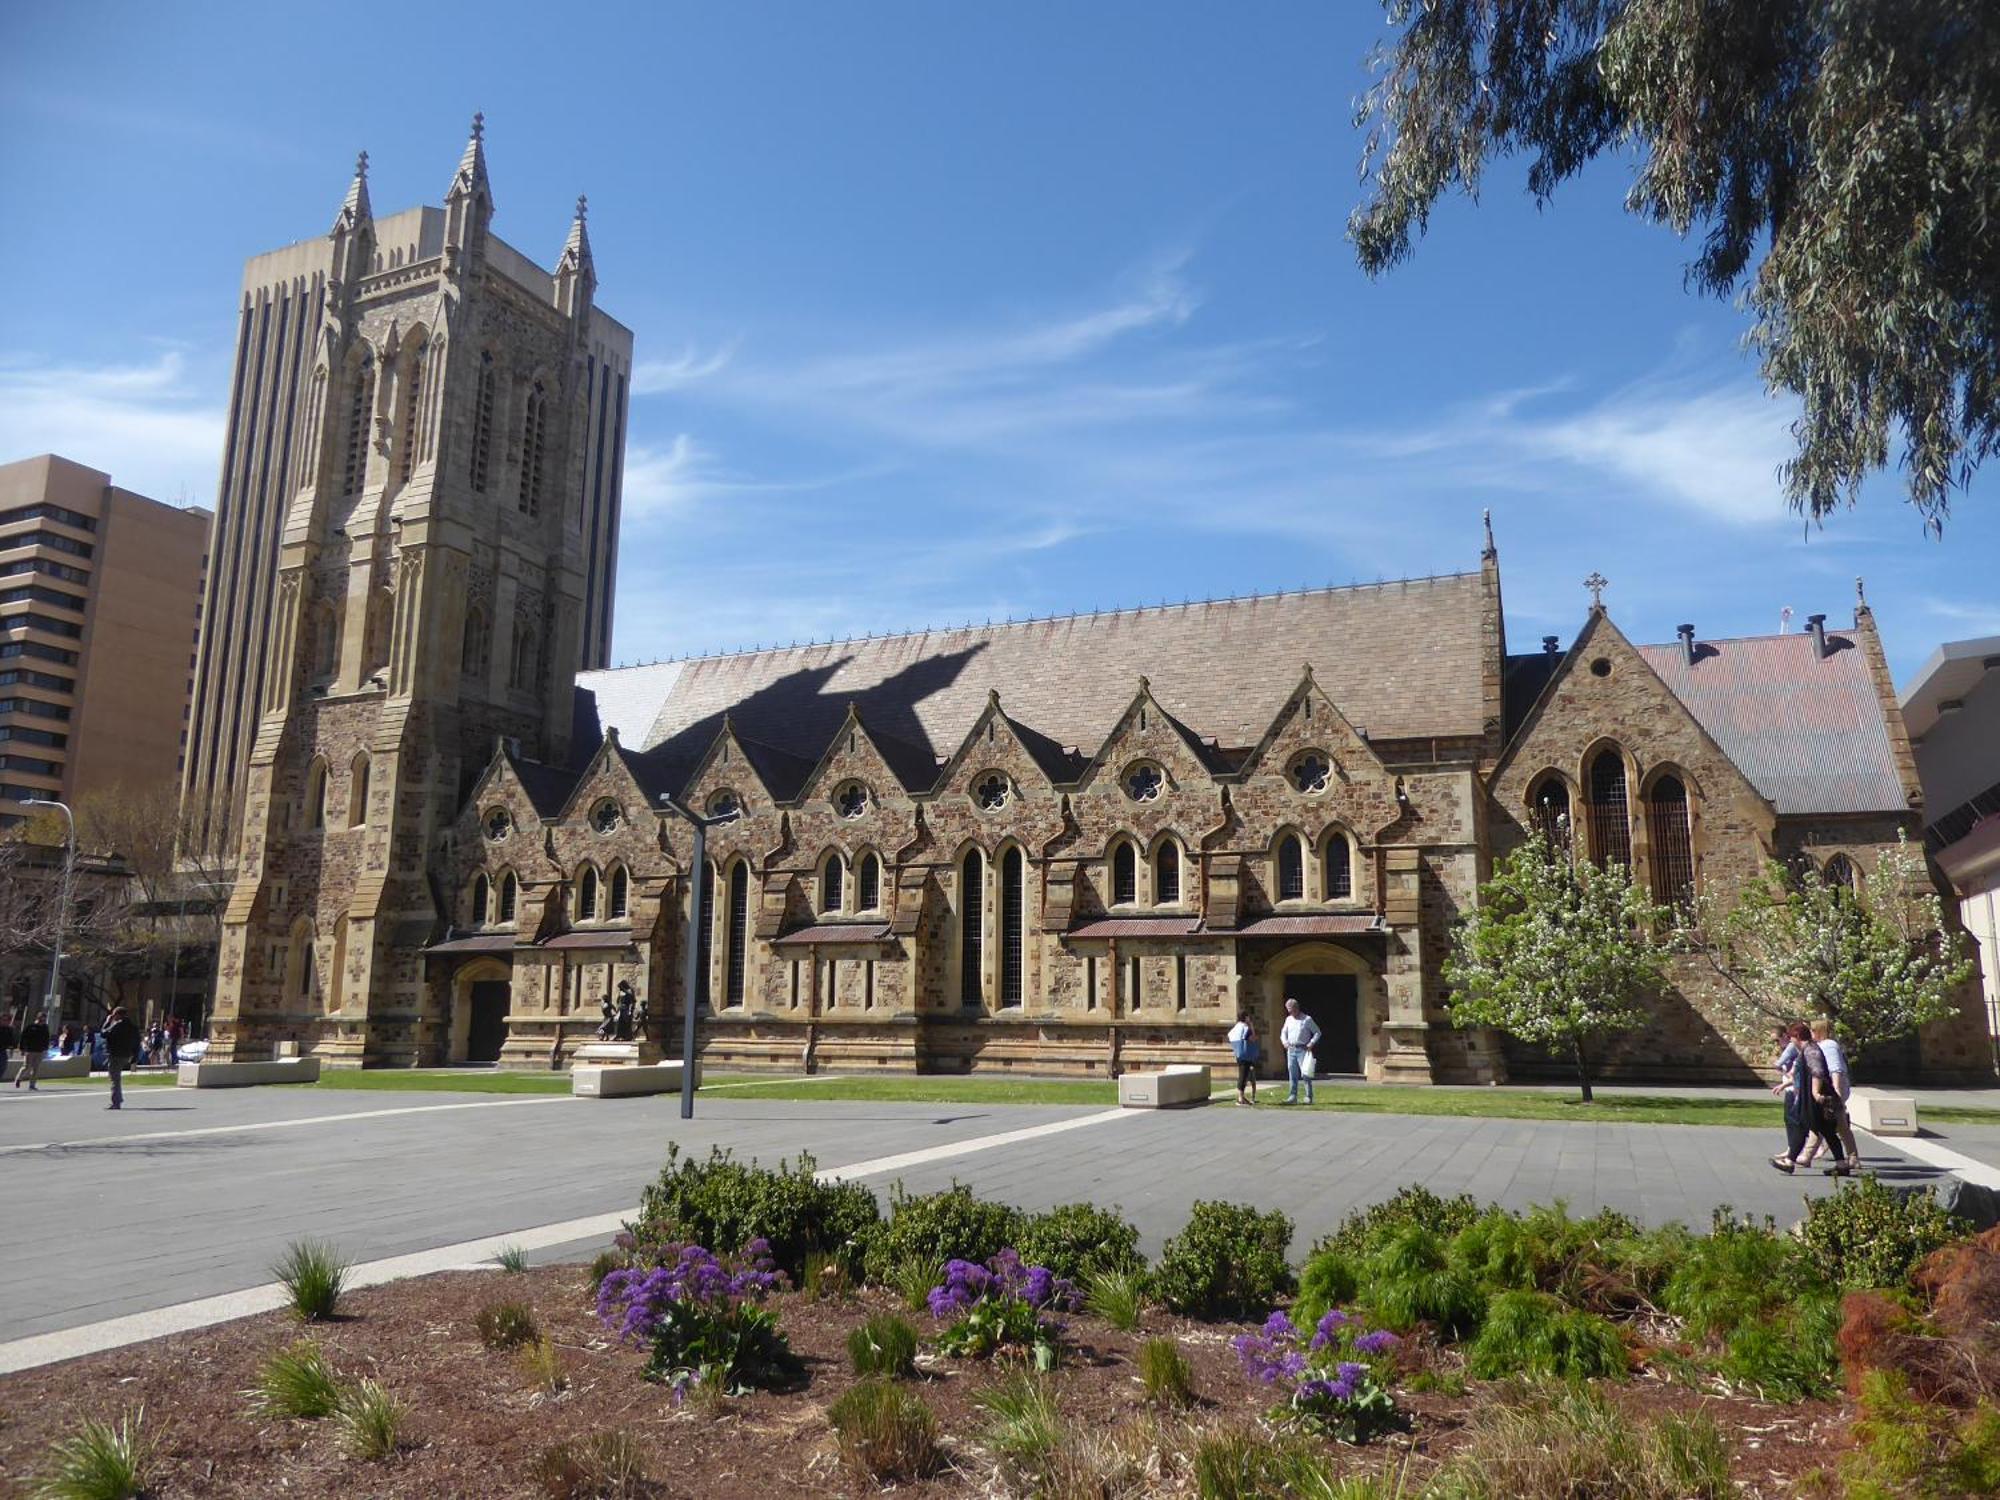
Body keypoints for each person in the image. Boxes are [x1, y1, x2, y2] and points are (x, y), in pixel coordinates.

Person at [1771, 1021, 1850, 1176]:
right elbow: (1801, 1075)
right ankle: (1841, 1165)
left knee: (1801, 1124)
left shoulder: (1811, 1051)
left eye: (1792, 1037)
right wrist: (1785, 1084)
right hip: (1810, 1096)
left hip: (1814, 1098)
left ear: (1798, 1036)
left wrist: (1814, 1092)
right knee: (1826, 1130)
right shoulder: (1806, 1050)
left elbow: (1818, 1072)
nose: (1791, 1041)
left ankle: (1789, 1162)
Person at [1799, 1018, 1861, 1170]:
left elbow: (1836, 1070)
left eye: (1813, 1030)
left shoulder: (1829, 1046)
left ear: (1819, 1031)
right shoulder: (1820, 1046)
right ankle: (1851, 1157)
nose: (1811, 1033)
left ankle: (1850, 1157)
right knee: (1827, 1123)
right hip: (1828, 1091)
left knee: (1834, 1123)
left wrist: (1837, 1092)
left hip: (1832, 1091)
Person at [1279, 997, 1321, 1106]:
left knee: (1305, 1073)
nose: (1289, 1012)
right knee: (1292, 1073)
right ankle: (1293, 1096)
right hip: (1291, 1049)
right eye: (1288, 1009)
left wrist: (1311, 1043)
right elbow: (1283, 1032)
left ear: (1296, 1008)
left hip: (1303, 1049)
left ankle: (1308, 1096)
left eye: (1291, 1009)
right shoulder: (1288, 1019)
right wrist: (1285, 1042)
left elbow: (1317, 1032)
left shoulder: (1307, 1019)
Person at [102, 1005, 140, 1110]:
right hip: (126, 1054)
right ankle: (118, 1099)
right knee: (116, 1077)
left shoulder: (117, 1025)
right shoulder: (133, 1026)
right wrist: (135, 1056)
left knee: (115, 1078)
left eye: (114, 1014)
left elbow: (104, 1033)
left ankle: (116, 1101)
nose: (112, 1016)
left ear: (118, 1015)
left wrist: (107, 1022)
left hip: (115, 1054)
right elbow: (137, 1042)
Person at [1226, 1011, 1261, 1106]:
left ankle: (1241, 1096)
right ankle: (1240, 1098)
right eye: (1248, 1017)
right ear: (1246, 1017)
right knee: (1244, 1075)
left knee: (1242, 1074)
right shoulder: (1245, 1028)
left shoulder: (1236, 1027)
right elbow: (1252, 1038)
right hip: (1246, 1054)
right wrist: (1252, 1027)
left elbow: (1229, 1035)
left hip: (1238, 1053)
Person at [16, 1011, 50, 1089]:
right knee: (26, 1066)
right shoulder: (30, 1026)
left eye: (44, 1019)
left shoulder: (45, 1028)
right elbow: (23, 1038)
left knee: (36, 1068)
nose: (43, 1021)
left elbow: (46, 1038)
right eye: (41, 1019)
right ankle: (19, 1078)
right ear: (38, 1018)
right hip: (30, 1050)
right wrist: (22, 1049)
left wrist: (46, 1048)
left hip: (39, 1051)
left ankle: (32, 1085)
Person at [0, 1009, 14, 1082]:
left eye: (7, 1020)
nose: (5, 1021)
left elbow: (11, 1040)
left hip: (3, 1051)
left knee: (3, 1067)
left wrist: (11, 1047)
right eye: (4, 1020)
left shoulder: (9, 1029)